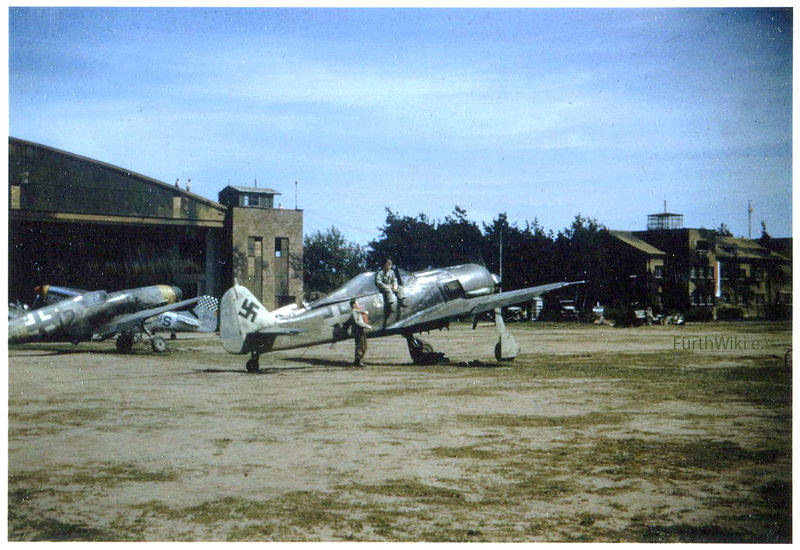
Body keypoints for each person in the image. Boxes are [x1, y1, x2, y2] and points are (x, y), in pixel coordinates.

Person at [350, 299, 372, 367]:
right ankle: (357, 361)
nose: (358, 304)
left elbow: (360, 312)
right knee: (361, 346)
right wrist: (367, 326)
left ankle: (358, 361)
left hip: (359, 331)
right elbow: (358, 322)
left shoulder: (356, 311)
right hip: (358, 331)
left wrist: (364, 312)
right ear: (354, 305)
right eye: (357, 303)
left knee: (363, 346)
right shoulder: (354, 312)